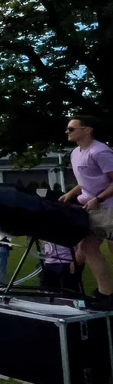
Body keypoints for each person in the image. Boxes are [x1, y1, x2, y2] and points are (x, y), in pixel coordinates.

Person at [60, 115, 113, 309]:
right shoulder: (75, 153)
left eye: (71, 128)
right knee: (86, 248)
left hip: (108, 209)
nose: (67, 131)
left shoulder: (100, 151)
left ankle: (105, 294)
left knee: (88, 248)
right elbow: (87, 181)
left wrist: (98, 199)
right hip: (92, 208)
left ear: (87, 130)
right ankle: (78, 284)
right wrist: (70, 193)